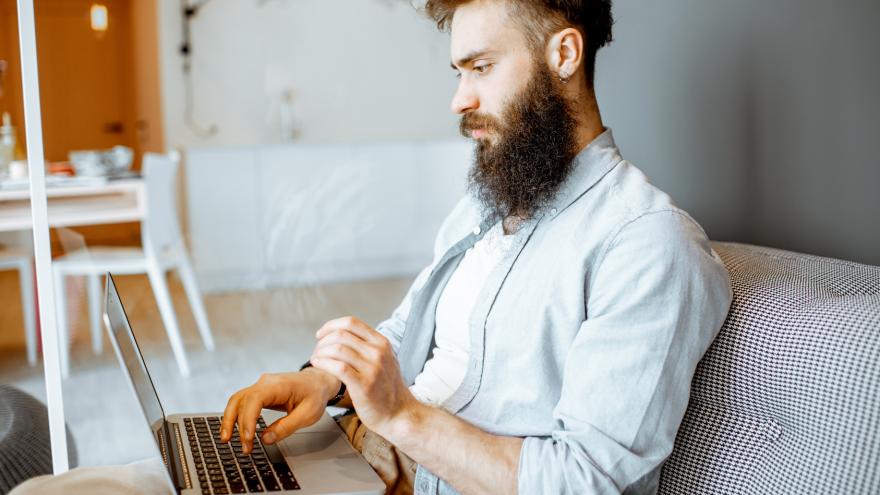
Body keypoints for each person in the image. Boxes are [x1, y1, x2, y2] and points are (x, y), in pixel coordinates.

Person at [220, 1, 733, 493]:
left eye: (481, 67)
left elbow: (583, 482)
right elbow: (411, 329)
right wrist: (325, 380)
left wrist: (402, 416)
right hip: (366, 452)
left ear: (565, 55)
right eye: (458, 72)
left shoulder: (646, 243)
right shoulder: (488, 202)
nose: (459, 99)